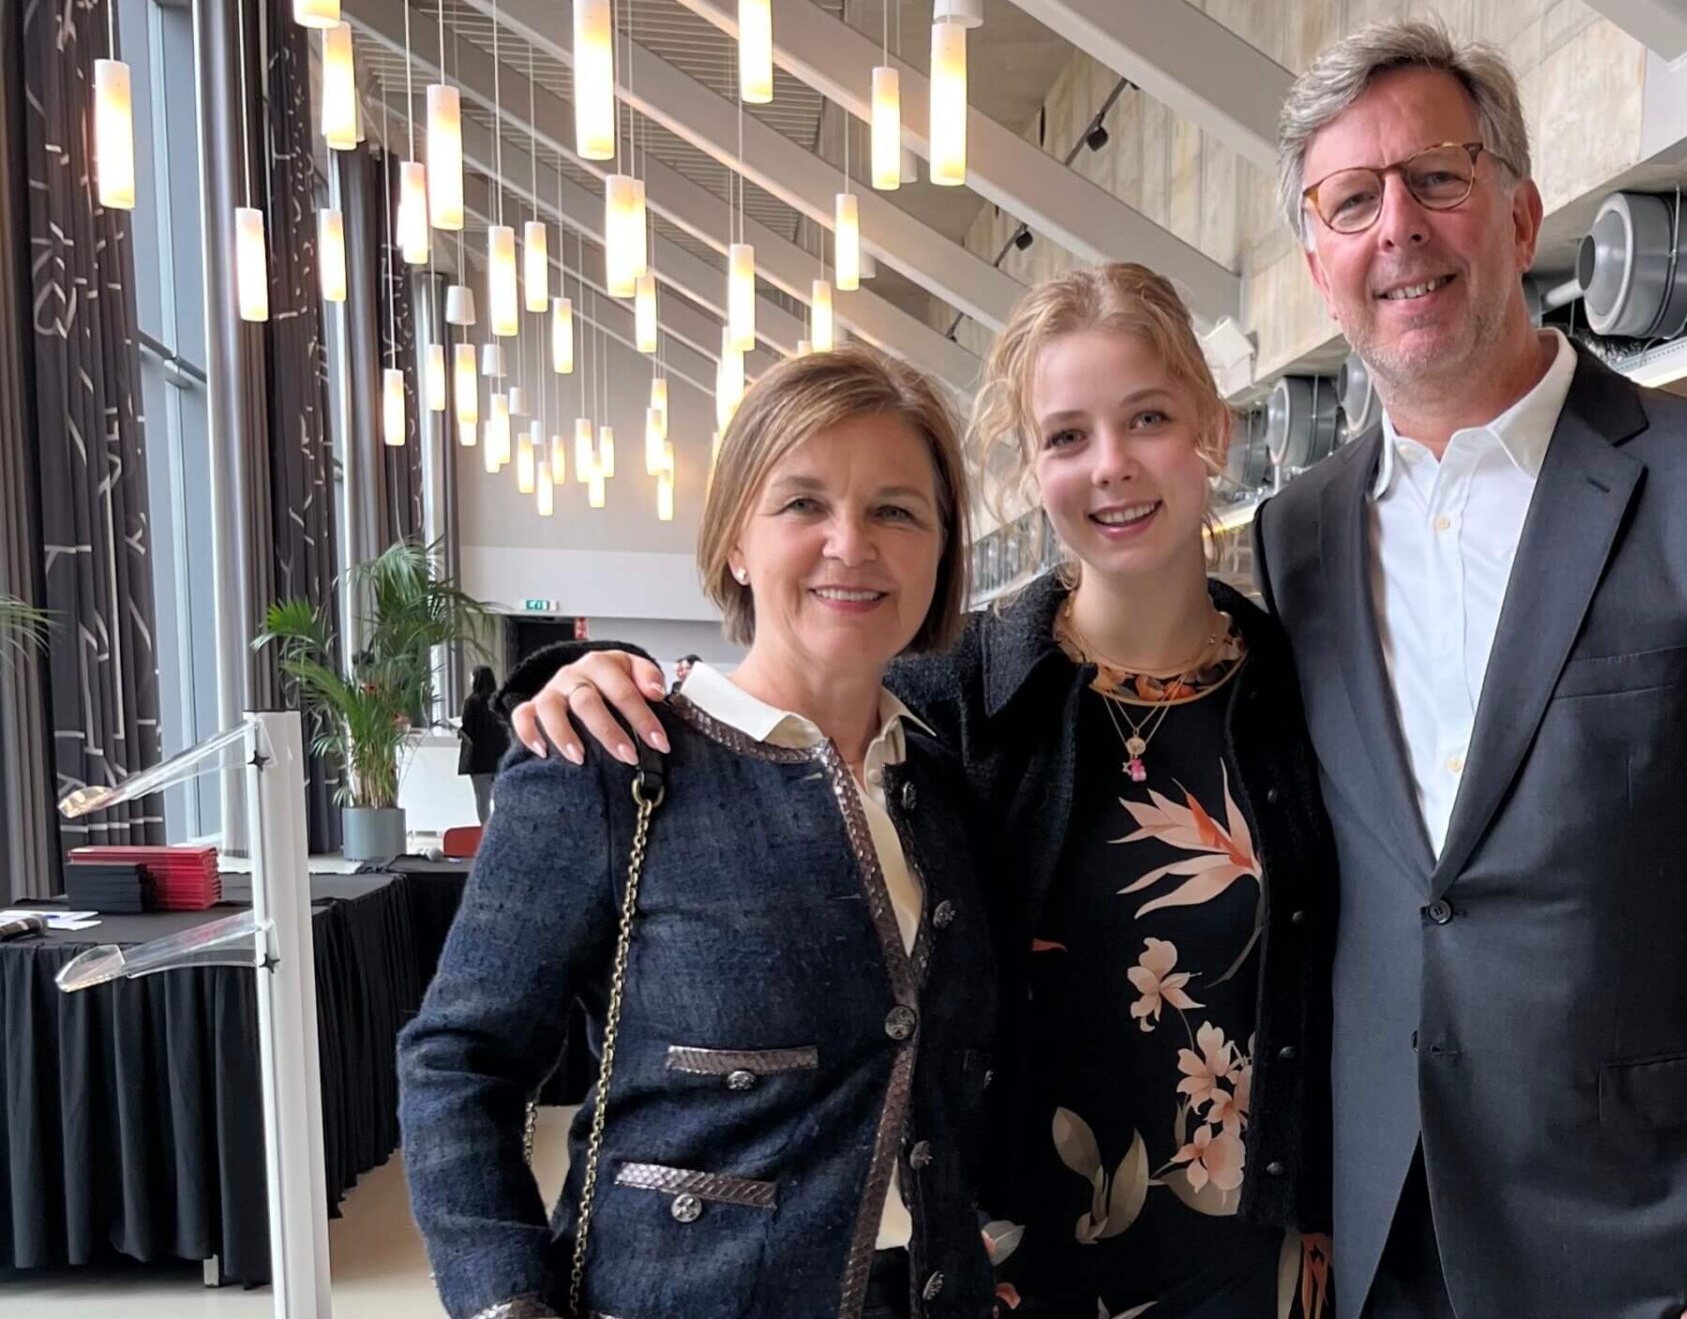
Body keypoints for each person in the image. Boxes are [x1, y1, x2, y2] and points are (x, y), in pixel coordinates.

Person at [511, 264, 1337, 1318]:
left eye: (1149, 419)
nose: (1113, 467)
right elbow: (786, 704)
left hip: (1242, 1258)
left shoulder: (1298, 693)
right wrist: (590, 674)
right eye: (1068, 436)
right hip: (1003, 1261)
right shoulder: (957, 698)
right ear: (1030, 467)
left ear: (1213, 429)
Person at [1254, 21, 1687, 1319]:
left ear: (1518, 212)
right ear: (1317, 263)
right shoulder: (1299, 538)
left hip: (1652, 1227)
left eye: (1435, 180)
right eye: (1352, 202)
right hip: (1374, 1220)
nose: (1398, 228)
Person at [399, 349, 1000, 1319]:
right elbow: (457, 1065)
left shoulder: (950, 784)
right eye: (803, 504)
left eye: (896, 510)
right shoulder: (613, 760)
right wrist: (505, 1301)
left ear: (941, 553)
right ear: (734, 543)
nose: (851, 544)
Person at [457, 665, 510, 823]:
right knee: (501, 796)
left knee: (482, 800)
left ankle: (484, 831)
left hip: (479, 759)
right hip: (500, 756)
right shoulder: (501, 700)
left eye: (472, 676)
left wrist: (459, 731)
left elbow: (469, 730)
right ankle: (501, 828)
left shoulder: (471, 702)